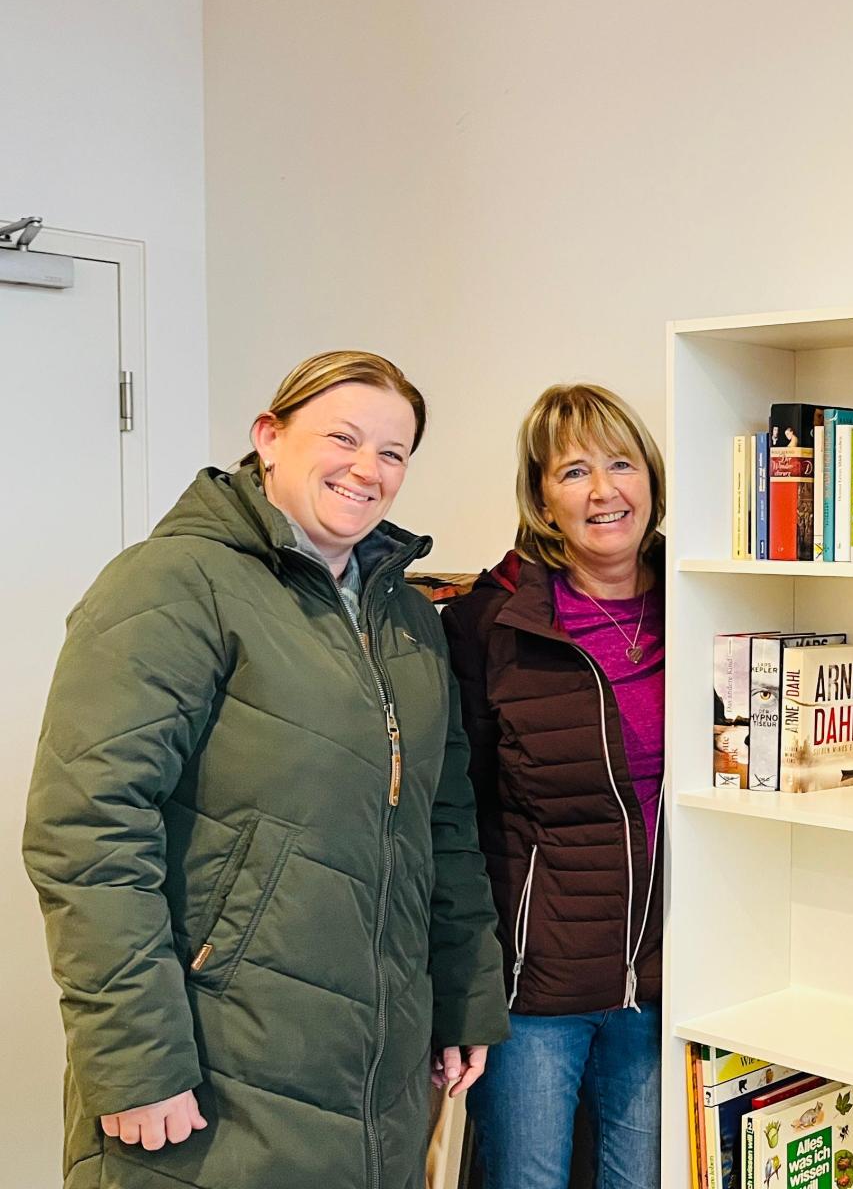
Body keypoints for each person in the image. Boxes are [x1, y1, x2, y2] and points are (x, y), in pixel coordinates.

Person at [23, 351, 509, 1189]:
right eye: (344, 436)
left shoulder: (406, 615)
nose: (368, 468)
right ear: (269, 437)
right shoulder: (172, 584)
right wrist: (137, 1059)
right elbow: (86, 831)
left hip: (373, 1076)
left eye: (393, 453)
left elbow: (443, 820)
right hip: (213, 1068)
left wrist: (463, 992)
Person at [441, 383, 667, 1189]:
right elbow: (452, 823)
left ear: (652, 478)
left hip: (664, 982)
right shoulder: (490, 624)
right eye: (573, 472)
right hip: (533, 994)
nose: (604, 491)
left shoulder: (705, 597)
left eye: (620, 464)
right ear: (542, 497)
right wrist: (461, 991)